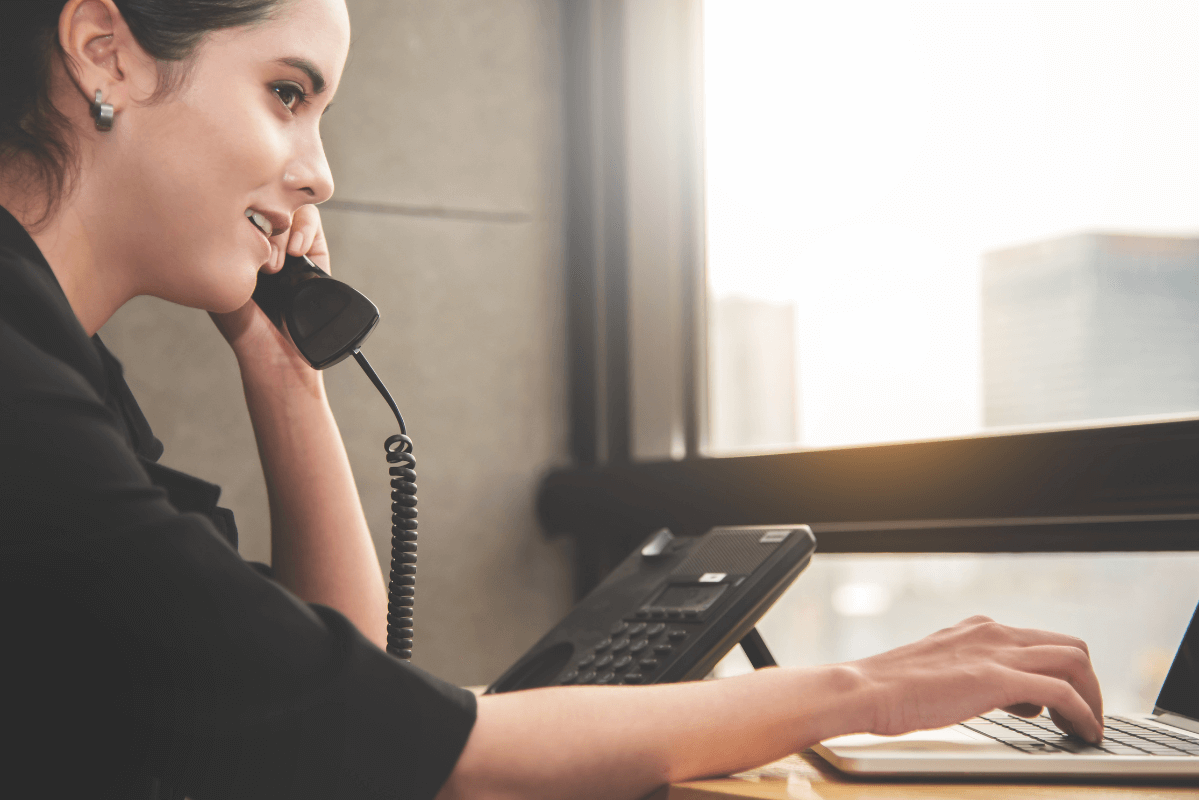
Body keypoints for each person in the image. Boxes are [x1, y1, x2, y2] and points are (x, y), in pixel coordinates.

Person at [0, 1, 1105, 798]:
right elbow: (408, 744)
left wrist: (279, 357)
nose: (320, 172)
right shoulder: (21, 390)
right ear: (107, 54)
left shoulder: (68, 371)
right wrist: (866, 688)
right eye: (288, 93)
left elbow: (309, 695)